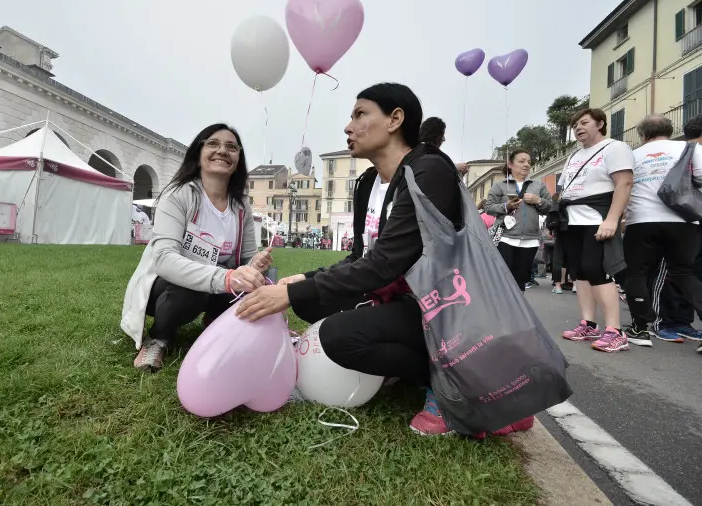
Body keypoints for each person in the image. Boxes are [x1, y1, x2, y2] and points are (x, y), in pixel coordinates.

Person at [235, 83, 532, 437]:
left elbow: (386, 263)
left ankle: (451, 381)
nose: (348, 126)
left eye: (360, 114)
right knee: (312, 303)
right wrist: (305, 281)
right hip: (401, 298)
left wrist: (289, 294)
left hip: (449, 307)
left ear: (395, 119)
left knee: (336, 337)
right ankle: (409, 364)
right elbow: (363, 256)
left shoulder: (429, 171)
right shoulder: (368, 183)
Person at [120, 123, 274, 372]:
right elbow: (164, 259)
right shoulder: (178, 195)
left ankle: (216, 321)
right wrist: (227, 278)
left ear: (238, 158)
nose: (222, 150)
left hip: (221, 282)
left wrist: (253, 264)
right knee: (191, 287)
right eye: (213, 144)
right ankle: (159, 337)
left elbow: (246, 257)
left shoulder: (242, 205)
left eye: (231, 147)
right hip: (169, 289)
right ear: (198, 153)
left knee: (258, 281)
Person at [558, 108, 634, 353]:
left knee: (597, 268)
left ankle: (615, 331)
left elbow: (624, 183)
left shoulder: (615, 148)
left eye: (584, 122)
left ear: (600, 123)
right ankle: (589, 324)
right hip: (572, 218)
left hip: (597, 216)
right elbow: (564, 188)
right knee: (579, 270)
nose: (578, 127)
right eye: (575, 125)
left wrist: (612, 219)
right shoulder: (573, 155)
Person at [622, 114, 702, 348]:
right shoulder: (690, 148)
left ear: (643, 135)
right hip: (683, 221)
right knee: (683, 273)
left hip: (641, 220)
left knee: (637, 273)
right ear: (670, 129)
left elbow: (623, 186)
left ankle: (639, 329)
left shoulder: (632, 155)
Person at [484, 149, 552, 291]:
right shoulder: (500, 185)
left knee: (520, 282)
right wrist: (505, 206)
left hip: (530, 240)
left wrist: (538, 200)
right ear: (510, 164)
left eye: (529, 162)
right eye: (521, 161)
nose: (526, 165)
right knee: (503, 280)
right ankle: (501, 310)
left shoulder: (538, 185)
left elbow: (549, 207)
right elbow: (488, 207)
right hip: (505, 238)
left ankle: (516, 312)